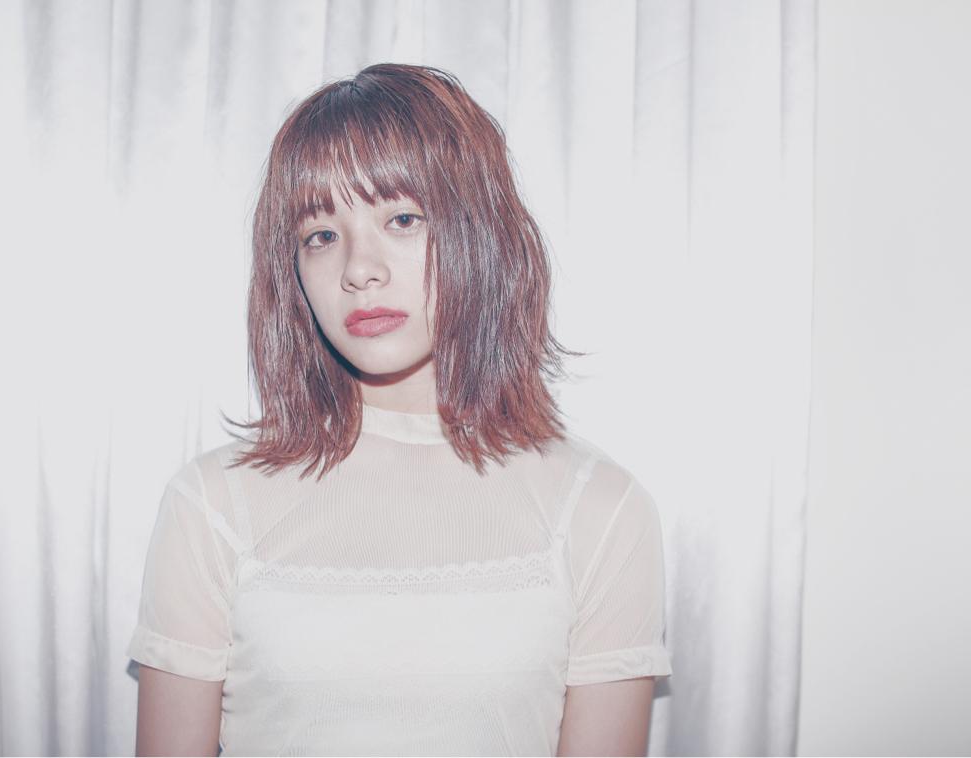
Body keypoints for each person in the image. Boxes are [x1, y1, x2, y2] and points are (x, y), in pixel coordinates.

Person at [126, 62, 672, 757]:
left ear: (482, 235)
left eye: (403, 219)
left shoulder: (601, 509)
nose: (359, 269)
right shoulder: (211, 504)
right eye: (321, 235)